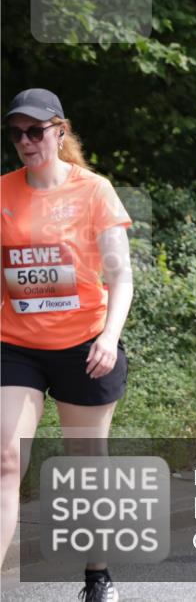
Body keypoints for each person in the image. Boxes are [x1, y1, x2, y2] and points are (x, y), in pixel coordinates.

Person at [1, 89, 133, 601]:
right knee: (7, 459)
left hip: (84, 344)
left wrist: (109, 336)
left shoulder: (94, 191)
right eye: (17, 133)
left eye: (36, 131)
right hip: (17, 345)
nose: (26, 142)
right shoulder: (4, 193)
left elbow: (121, 278)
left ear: (59, 131)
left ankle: (98, 577)